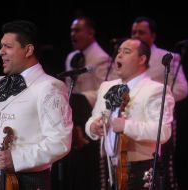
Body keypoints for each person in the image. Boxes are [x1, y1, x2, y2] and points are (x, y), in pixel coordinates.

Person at [0, 20, 73, 190]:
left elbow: (60, 142)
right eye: (1, 46)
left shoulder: (49, 87)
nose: (0, 52)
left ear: (28, 50)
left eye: (7, 46)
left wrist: (17, 158)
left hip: (28, 180)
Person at [85, 38, 175, 189]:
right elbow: (92, 119)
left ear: (142, 59)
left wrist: (126, 126)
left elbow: (163, 132)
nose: (119, 55)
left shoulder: (156, 90)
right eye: (118, 51)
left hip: (141, 169)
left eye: (126, 52)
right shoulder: (107, 86)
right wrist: (94, 127)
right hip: (111, 168)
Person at [131, 16, 188, 189]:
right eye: (133, 32)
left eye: (141, 32)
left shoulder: (167, 57)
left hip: (160, 117)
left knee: (164, 164)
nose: (136, 36)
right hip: (134, 121)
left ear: (153, 36)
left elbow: (182, 88)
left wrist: (158, 96)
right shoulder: (128, 58)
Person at [61, 16, 113, 190]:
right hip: (74, 116)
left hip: (91, 114)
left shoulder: (101, 58)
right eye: (71, 30)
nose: (72, 34)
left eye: (77, 30)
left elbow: (105, 89)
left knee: (89, 165)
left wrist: (81, 98)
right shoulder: (72, 57)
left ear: (90, 33)